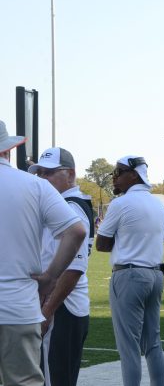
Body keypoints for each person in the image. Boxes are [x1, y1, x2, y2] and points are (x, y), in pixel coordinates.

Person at [0, 120, 86, 386]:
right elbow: (76, 231)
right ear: (8, 150)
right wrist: (50, 277)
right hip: (18, 307)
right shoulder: (34, 186)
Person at [96, 155, 164, 386]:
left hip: (128, 274)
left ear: (133, 174)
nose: (114, 178)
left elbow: (101, 244)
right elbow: (161, 238)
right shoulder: (158, 204)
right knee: (153, 343)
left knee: (129, 346)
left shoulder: (120, 204)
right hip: (155, 274)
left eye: (118, 172)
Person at [28, 148, 94, 386]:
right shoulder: (70, 204)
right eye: (41, 173)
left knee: (55, 380)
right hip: (65, 306)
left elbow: (73, 269)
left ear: (70, 174)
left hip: (63, 307)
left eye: (50, 173)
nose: (43, 179)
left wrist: (46, 312)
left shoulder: (70, 207)